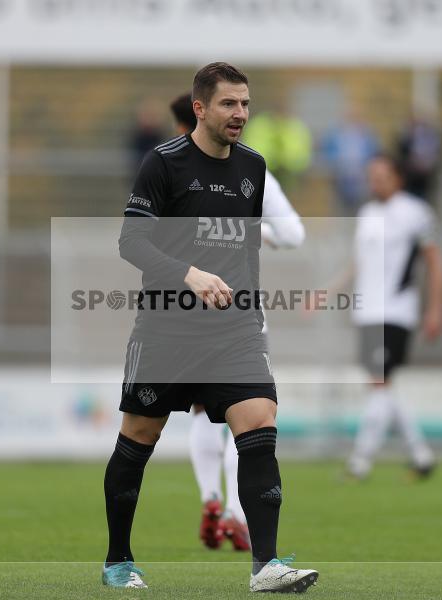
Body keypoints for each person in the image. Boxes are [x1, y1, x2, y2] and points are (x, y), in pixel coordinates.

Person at [102, 63, 318, 592]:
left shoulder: (254, 168)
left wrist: (251, 308)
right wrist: (189, 275)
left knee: (259, 421)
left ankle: (265, 565)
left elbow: (249, 247)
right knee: (139, 436)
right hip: (166, 332)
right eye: (228, 104)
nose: (240, 113)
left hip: (234, 331)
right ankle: (118, 561)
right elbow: (131, 243)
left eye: (245, 104)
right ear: (199, 108)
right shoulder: (164, 164)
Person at [170, 92, 305, 552]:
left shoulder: (168, 170)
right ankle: (232, 512)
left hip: (183, 313)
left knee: (203, 413)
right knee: (249, 417)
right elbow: (293, 233)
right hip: (241, 313)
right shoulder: (251, 171)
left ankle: (210, 497)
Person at [344, 155, 442, 481]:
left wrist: (436, 308)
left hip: (396, 310)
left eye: (382, 175)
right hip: (367, 311)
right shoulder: (367, 214)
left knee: (379, 383)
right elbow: (361, 264)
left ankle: (360, 460)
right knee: (383, 386)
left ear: (397, 179)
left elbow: (434, 261)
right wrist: (327, 292)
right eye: (371, 175)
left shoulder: (415, 213)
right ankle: (421, 455)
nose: (376, 181)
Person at [322, 109, 379, 216]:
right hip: (341, 176)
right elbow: (328, 152)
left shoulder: (367, 135)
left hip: (361, 176)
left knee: (359, 205)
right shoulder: (336, 134)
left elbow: (374, 152)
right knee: (341, 206)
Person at [397, 112, 442, 205]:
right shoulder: (407, 137)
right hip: (410, 176)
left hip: (423, 177)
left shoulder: (429, 137)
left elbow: (434, 154)